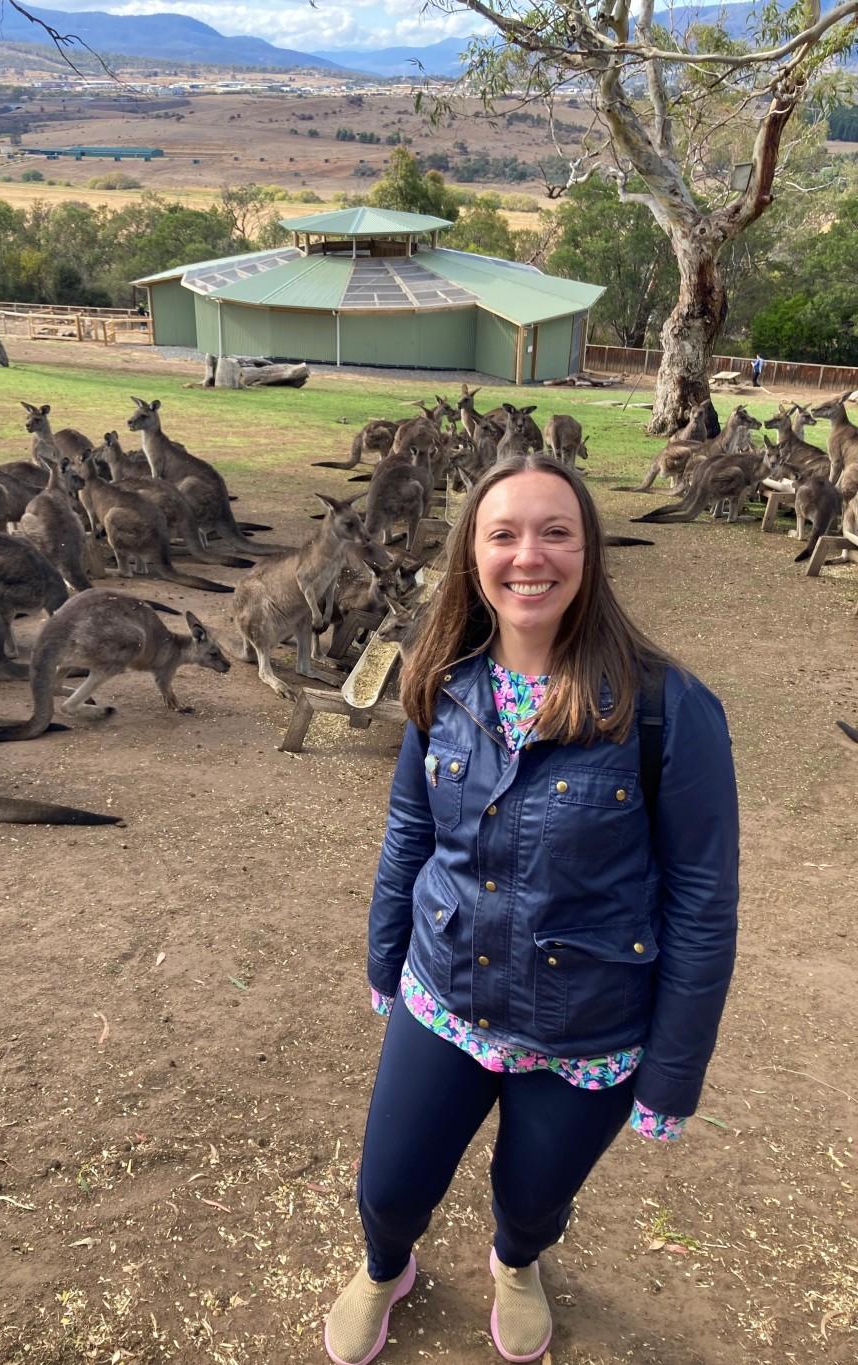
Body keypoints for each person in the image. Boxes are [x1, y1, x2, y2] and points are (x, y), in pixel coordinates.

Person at [323, 454, 739, 1365]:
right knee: (389, 1185)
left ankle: (516, 1265)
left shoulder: (668, 707)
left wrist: (672, 1075)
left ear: (588, 551)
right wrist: (384, 960)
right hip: (446, 995)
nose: (528, 556)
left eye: (555, 532)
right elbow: (408, 833)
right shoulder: (441, 677)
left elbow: (704, 903)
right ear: (473, 553)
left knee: (534, 1195)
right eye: (503, 533)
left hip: (588, 1026)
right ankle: (385, 1266)